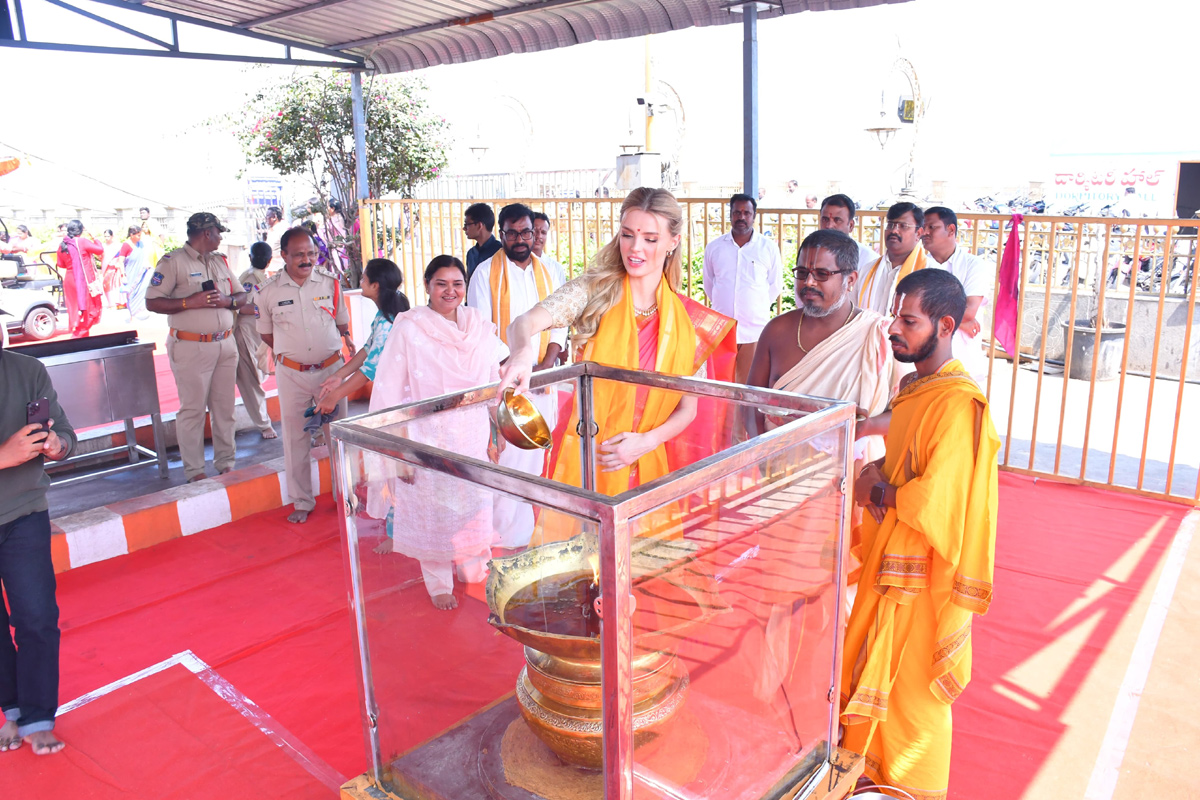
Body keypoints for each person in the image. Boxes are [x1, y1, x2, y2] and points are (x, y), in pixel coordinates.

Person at [842, 268, 1000, 799]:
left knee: (913, 694)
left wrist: (876, 490)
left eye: (908, 321)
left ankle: (916, 789)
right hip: (892, 554)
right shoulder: (916, 388)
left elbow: (939, 500)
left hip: (922, 573)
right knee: (868, 661)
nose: (893, 328)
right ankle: (876, 777)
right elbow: (908, 462)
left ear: (947, 324)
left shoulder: (958, 404)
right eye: (895, 315)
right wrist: (877, 476)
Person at [500, 187, 737, 500]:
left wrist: (646, 442)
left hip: (647, 466)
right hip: (586, 458)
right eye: (627, 235)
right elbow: (523, 323)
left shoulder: (687, 323)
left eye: (650, 239)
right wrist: (522, 351)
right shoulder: (594, 293)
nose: (635, 248)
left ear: (672, 241)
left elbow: (687, 409)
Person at [367, 255, 506, 609]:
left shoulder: (478, 324)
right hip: (427, 435)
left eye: (457, 284)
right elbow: (389, 391)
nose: (450, 291)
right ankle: (438, 582)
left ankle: (472, 565)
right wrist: (398, 450)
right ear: (427, 286)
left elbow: (493, 383)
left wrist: (496, 430)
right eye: (441, 284)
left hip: (472, 434)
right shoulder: (410, 327)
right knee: (431, 508)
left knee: (472, 502)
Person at [746, 229, 897, 468]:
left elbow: (907, 414)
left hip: (853, 475)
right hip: (780, 474)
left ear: (851, 280)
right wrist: (762, 458)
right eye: (802, 273)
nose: (809, 283)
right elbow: (750, 402)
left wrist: (861, 427)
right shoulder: (776, 331)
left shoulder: (878, 335)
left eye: (822, 274)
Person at [467, 203, 566, 549]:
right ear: (503, 234)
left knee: (536, 463)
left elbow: (559, 324)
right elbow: (483, 329)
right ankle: (510, 544)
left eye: (527, 232)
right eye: (512, 233)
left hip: (544, 381)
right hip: (507, 382)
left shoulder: (549, 271)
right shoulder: (484, 274)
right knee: (510, 465)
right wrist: (517, 365)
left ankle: (527, 536)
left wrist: (547, 366)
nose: (521, 239)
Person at [0, 335, 76, 756]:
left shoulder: (27, 370)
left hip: (25, 512)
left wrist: (57, 445)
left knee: (37, 617)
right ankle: (11, 711)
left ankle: (38, 717)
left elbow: (65, 431)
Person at [254, 226, 353, 524]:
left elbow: (341, 325)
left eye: (311, 253)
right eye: (298, 255)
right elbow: (267, 335)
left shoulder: (331, 284)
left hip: (332, 371)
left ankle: (345, 496)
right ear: (283, 255)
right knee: (296, 438)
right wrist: (298, 357)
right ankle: (302, 500)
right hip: (292, 375)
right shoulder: (267, 292)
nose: (306, 260)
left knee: (338, 436)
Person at [146, 212, 249, 483]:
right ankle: (195, 471)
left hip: (226, 344)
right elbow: (152, 301)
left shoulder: (220, 261)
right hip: (192, 347)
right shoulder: (173, 262)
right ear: (207, 233)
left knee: (224, 408)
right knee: (192, 409)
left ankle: (226, 463)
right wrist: (188, 302)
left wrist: (228, 301)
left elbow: (242, 295)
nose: (221, 237)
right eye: (218, 232)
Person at [702, 193, 783, 384]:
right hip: (723, 329)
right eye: (737, 212)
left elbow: (775, 285)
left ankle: (745, 416)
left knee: (750, 387)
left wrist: (756, 306)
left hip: (754, 331)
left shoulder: (768, 248)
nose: (742, 217)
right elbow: (709, 284)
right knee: (721, 385)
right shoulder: (714, 248)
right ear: (730, 215)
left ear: (754, 216)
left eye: (747, 213)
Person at [315, 258, 409, 417]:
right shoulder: (383, 316)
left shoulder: (388, 323)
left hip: (398, 396)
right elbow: (368, 350)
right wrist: (338, 376)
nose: (361, 282)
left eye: (364, 279)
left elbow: (369, 370)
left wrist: (334, 396)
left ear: (375, 285)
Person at [922, 207, 992, 387]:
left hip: (964, 360)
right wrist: (959, 322)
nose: (925, 233)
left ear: (951, 230)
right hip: (925, 357)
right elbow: (909, 311)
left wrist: (926, 313)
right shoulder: (919, 264)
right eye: (923, 227)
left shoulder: (973, 264)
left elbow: (968, 311)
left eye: (932, 227)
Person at [234, 242, 279, 440]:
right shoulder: (251, 277)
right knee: (251, 380)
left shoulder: (262, 277)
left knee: (257, 376)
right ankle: (264, 425)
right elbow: (243, 307)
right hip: (245, 333)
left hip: (257, 335)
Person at [857, 202, 927, 316]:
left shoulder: (930, 273)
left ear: (918, 233)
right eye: (890, 225)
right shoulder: (866, 270)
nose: (894, 231)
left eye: (903, 226)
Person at [56, 220, 104, 338]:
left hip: (70, 279)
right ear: (81, 230)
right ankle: (78, 336)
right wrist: (94, 236)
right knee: (89, 310)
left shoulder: (63, 244)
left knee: (75, 308)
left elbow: (60, 264)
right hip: (82, 280)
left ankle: (80, 334)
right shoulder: (81, 242)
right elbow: (100, 250)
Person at [820, 194, 878, 270]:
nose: (829, 226)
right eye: (825, 219)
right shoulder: (811, 253)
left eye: (837, 220)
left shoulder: (869, 260)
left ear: (851, 226)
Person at [116, 226, 153, 322]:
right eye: (138, 235)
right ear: (131, 235)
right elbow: (121, 261)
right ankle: (132, 314)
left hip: (141, 272)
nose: (139, 237)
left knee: (141, 290)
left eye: (140, 235)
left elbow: (144, 257)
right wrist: (123, 274)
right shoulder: (126, 245)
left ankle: (139, 311)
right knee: (130, 293)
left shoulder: (140, 244)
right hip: (130, 272)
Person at [463, 202, 502, 285]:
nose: (464, 228)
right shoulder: (471, 253)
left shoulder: (500, 252)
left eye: (467, 224)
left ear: (479, 225)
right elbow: (469, 284)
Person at [100, 229, 123, 308]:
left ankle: (118, 302)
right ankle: (110, 302)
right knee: (106, 284)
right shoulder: (103, 246)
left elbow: (121, 256)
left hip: (116, 268)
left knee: (117, 284)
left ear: (112, 236)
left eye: (108, 236)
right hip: (106, 268)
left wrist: (117, 262)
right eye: (105, 236)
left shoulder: (118, 245)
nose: (106, 238)